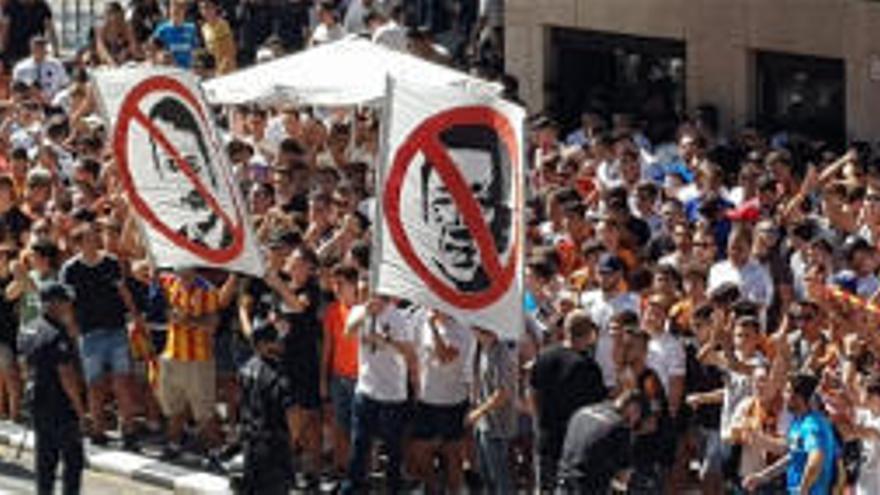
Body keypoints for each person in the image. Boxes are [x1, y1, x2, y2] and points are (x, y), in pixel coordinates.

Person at [60, 221, 143, 449]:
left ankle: (129, 430)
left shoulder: (111, 263)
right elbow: (66, 303)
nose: (93, 241)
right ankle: (98, 430)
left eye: (93, 236)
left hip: (116, 328)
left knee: (122, 383)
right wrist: (72, 328)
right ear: (78, 244)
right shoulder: (70, 269)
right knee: (95, 384)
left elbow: (123, 291)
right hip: (89, 333)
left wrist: (135, 317)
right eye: (87, 238)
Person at [420, 124, 512, 294]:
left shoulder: (505, 299)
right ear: (424, 206)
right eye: (445, 200)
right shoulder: (407, 293)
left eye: (482, 202)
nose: (462, 222)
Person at [342, 295, 417, 494]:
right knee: (359, 443)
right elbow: (348, 332)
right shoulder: (359, 310)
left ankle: (393, 488)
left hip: (392, 394)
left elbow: (410, 353)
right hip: (366, 389)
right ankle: (353, 486)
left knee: (393, 448)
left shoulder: (398, 317)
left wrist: (387, 341)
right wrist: (365, 314)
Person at [530, 310, 607, 491]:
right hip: (574, 448)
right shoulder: (588, 368)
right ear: (590, 334)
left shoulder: (544, 356)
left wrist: (538, 421)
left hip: (546, 439)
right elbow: (596, 410)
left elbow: (532, 391)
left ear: (565, 330)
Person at [21, 281, 86, 495]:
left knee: (45, 458)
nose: (69, 305)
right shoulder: (57, 334)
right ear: (54, 304)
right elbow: (66, 374)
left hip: (37, 399)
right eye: (65, 301)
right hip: (59, 403)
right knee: (73, 459)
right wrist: (79, 408)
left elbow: (25, 364)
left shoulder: (30, 328)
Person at [744, 373, 839, 495]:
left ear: (799, 397)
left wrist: (803, 490)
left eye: (788, 391)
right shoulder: (798, 422)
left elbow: (815, 460)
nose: (784, 396)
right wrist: (763, 476)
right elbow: (793, 455)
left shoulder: (813, 425)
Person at [237, 321, 297, 495]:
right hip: (273, 448)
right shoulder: (277, 374)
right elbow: (291, 413)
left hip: (250, 443)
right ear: (263, 344)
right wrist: (294, 440)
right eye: (276, 340)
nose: (281, 344)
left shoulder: (245, 368)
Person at [556, 390, 648, 493]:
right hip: (587, 487)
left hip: (562, 483)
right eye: (638, 419)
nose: (634, 423)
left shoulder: (582, 411)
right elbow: (623, 477)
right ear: (635, 410)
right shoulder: (620, 427)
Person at [468, 325, 517, 494]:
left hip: (497, 425)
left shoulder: (501, 352)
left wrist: (478, 411)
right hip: (483, 424)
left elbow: (503, 393)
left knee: (500, 476)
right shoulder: (480, 348)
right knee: (487, 474)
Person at [11, 35, 68, 103]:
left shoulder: (56, 65)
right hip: (28, 103)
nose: (39, 50)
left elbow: (64, 85)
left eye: (42, 47)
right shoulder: (21, 67)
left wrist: (57, 99)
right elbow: (15, 88)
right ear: (31, 48)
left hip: (53, 102)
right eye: (36, 47)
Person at [153, 0, 199, 69]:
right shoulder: (162, 29)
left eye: (180, 8)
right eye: (173, 7)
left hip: (187, 71)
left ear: (184, 10)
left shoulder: (191, 28)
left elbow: (196, 50)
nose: (176, 11)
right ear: (170, 10)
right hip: (169, 71)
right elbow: (154, 51)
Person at [198, 0, 236, 75]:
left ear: (215, 8)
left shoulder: (222, 25)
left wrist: (221, 71)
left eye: (208, 7)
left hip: (227, 71)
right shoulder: (204, 28)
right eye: (202, 8)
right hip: (214, 71)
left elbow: (230, 51)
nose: (205, 11)